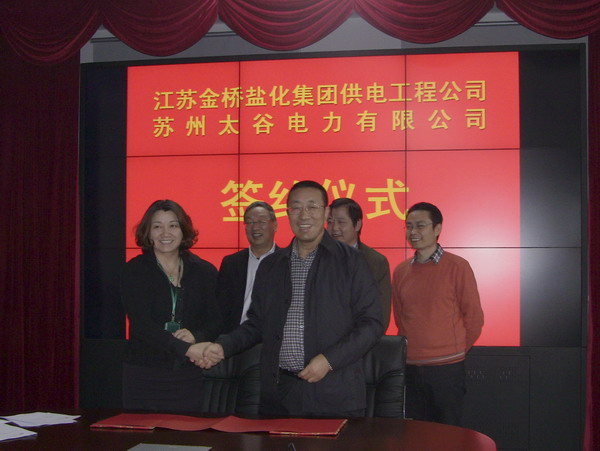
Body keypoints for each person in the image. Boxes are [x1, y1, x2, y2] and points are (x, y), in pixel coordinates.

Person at [193, 180, 383, 417]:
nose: (304, 215)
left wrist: (328, 361)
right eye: (296, 207)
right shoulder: (271, 266)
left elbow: (372, 324)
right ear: (288, 213)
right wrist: (222, 346)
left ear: (326, 212)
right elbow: (257, 324)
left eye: (312, 207)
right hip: (279, 394)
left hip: (335, 393)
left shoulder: (351, 262)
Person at [120, 199, 223, 412]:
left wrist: (196, 336)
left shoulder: (204, 271)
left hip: (187, 374)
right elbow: (141, 325)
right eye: (157, 226)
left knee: (184, 431)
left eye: (173, 225)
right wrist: (186, 349)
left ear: (183, 231)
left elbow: (216, 320)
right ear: (148, 233)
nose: (165, 233)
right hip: (144, 373)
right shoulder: (134, 271)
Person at [392, 202, 484, 426]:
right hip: (411, 367)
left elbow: (474, 317)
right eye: (409, 226)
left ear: (437, 229)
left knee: (448, 431)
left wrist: (453, 351)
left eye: (420, 225)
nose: (413, 232)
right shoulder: (401, 271)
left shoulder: (458, 266)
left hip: (447, 369)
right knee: (415, 431)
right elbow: (400, 317)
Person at [327, 197, 392, 330]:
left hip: (362, 338)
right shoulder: (318, 257)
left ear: (357, 225)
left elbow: (381, 314)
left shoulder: (376, 262)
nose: (334, 228)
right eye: (330, 222)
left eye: (341, 222)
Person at [218, 201, 279, 332]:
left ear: (275, 225)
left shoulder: (286, 261)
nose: (255, 227)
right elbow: (220, 308)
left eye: (261, 221)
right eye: (250, 222)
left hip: (272, 337)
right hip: (236, 336)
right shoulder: (231, 263)